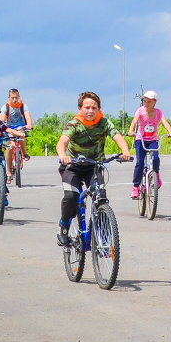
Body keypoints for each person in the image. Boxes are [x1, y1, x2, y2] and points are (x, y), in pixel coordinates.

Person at [54, 91, 132, 246]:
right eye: (87, 107)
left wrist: (125, 152)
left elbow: (117, 136)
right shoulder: (74, 124)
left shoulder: (103, 122)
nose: (90, 111)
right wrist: (63, 156)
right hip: (72, 166)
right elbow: (61, 142)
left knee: (100, 198)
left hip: (94, 167)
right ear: (80, 108)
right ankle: (63, 225)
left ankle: (103, 236)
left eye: (94, 108)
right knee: (71, 197)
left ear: (98, 109)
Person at [127, 90, 171, 199]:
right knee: (140, 163)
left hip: (153, 140)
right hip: (141, 139)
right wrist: (131, 131)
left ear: (154, 102)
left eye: (149, 102)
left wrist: (170, 132)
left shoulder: (158, 112)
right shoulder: (140, 111)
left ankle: (156, 175)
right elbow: (134, 122)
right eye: (145, 101)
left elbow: (165, 122)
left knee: (156, 158)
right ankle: (135, 187)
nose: (146, 104)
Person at [1, 88, 34, 183]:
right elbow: (2, 118)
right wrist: (2, 123)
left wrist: (29, 125)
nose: (15, 100)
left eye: (16, 97)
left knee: (22, 136)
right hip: (9, 128)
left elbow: (27, 116)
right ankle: (9, 172)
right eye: (13, 98)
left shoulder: (23, 106)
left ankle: (24, 152)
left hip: (20, 127)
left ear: (19, 97)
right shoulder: (6, 107)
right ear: (9, 97)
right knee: (9, 147)